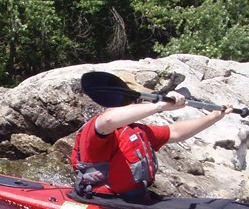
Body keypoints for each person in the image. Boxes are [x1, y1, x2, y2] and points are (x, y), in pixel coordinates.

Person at [71, 75, 233, 199]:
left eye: (139, 100)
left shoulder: (136, 130)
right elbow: (109, 119)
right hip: (99, 199)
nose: (138, 103)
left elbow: (175, 132)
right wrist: (160, 106)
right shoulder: (97, 128)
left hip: (135, 199)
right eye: (134, 100)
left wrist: (214, 117)